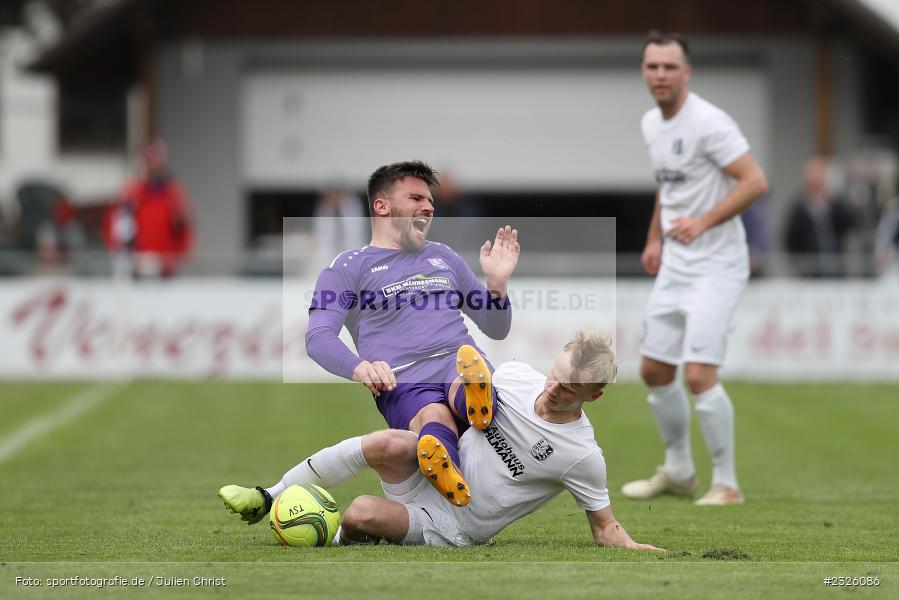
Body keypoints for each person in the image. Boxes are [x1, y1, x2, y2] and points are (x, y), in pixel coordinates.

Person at [219, 331, 661, 551]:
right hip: (433, 471)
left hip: (455, 524)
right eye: (556, 375)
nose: (553, 389)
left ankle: (325, 535)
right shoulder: (515, 376)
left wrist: (642, 550)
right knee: (385, 442)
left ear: (593, 396)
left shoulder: (582, 455)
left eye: (568, 389)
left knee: (358, 513)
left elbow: (605, 528)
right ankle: (271, 494)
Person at [304, 160, 519, 507]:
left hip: (457, 363)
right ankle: (450, 471)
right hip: (401, 379)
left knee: (462, 378)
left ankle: (476, 405)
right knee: (433, 416)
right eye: (416, 198)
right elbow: (318, 337)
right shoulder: (347, 267)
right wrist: (362, 368)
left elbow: (496, 326)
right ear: (382, 206)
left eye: (430, 200)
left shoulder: (444, 257)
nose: (429, 206)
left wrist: (497, 285)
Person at [624, 32, 768, 506]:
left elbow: (755, 182)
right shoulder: (651, 123)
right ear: (644, 72)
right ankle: (680, 471)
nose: (660, 75)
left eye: (669, 67)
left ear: (687, 72)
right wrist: (654, 238)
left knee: (699, 375)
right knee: (654, 370)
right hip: (677, 265)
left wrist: (703, 221)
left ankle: (727, 484)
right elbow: (668, 186)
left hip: (717, 267)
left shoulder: (709, 123)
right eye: (652, 67)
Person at [104, 140, 194, 278]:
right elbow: (118, 227)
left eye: (159, 163)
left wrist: (177, 259)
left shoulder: (175, 193)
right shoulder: (132, 191)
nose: (155, 168)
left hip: (166, 268)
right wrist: (124, 258)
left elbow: (184, 229)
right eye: (151, 163)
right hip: (138, 266)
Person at [784, 156, 855, 278]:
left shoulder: (835, 203)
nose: (817, 178)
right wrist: (800, 265)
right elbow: (790, 238)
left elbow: (849, 224)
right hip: (810, 271)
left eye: (820, 173)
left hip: (836, 268)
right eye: (813, 174)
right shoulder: (799, 206)